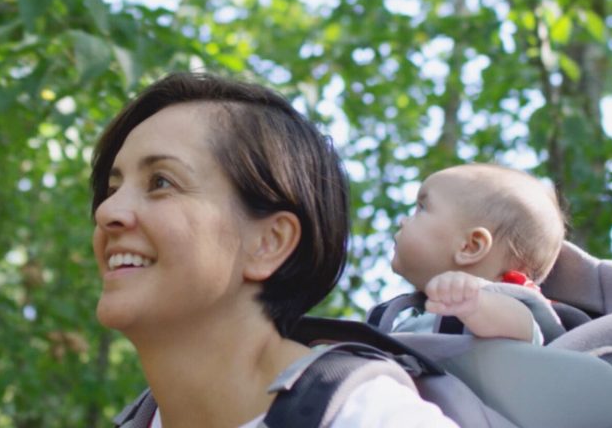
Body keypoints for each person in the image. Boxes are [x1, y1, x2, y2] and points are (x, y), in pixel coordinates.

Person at [90, 72, 457, 427]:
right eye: (112, 189)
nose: (107, 212)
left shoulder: (370, 417)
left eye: (161, 182)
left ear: (269, 243)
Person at [388, 163, 567, 344]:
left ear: (470, 247)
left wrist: (475, 303)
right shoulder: (418, 319)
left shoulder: (510, 305)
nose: (403, 220)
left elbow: (526, 327)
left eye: (422, 208)